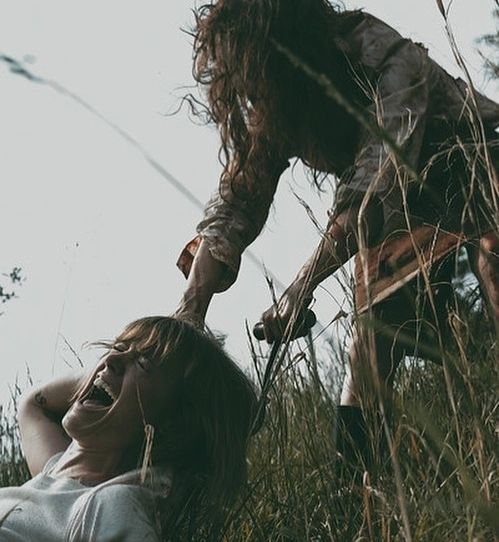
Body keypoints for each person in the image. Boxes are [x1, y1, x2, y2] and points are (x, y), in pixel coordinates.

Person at [175, 0, 499, 469]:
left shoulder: (387, 59)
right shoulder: (281, 103)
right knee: (367, 351)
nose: (250, 91)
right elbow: (237, 201)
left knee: (493, 257)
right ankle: (360, 490)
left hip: (478, 166)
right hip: (406, 211)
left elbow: (372, 190)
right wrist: (190, 309)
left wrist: (298, 290)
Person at [0, 316, 257, 541]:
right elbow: (33, 403)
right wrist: (104, 374)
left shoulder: (110, 505)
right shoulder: (56, 471)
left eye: (143, 363)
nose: (110, 358)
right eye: (117, 348)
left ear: (173, 424)